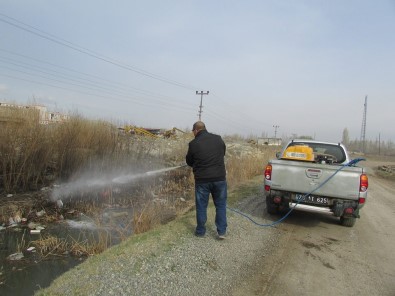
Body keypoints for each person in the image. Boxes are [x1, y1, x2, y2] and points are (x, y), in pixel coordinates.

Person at [186, 121, 227, 239]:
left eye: (193, 131)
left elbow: (189, 161)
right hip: (219, 179)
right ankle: (221, 232)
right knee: (221, 205)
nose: (193, 133)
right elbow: (222, 153)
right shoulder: (218, 139)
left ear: (196, 130)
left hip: (202, 181)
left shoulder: (193, 144)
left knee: (201, 206)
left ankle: (200, 231)